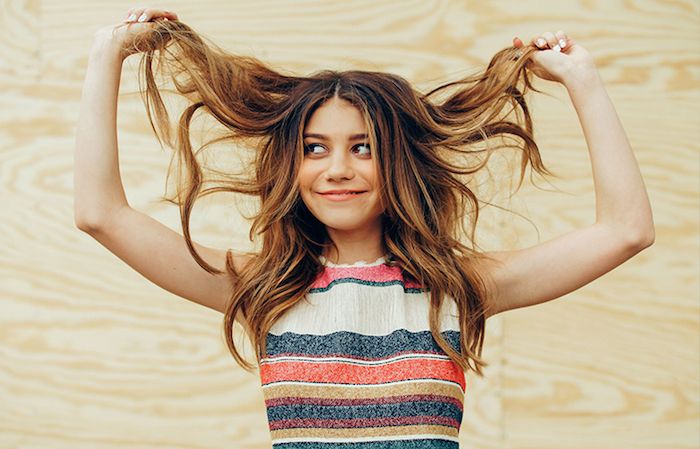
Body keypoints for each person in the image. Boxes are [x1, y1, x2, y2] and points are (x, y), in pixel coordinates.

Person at [74, 7, 655, 447]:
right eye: (314, 148)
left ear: (397, 160)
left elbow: (626, 230)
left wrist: (584, 82)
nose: (338, 170)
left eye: (363, 148)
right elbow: (101, 214)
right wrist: (107, 56)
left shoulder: (454, 287)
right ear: (291, 164)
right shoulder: (263, 288)